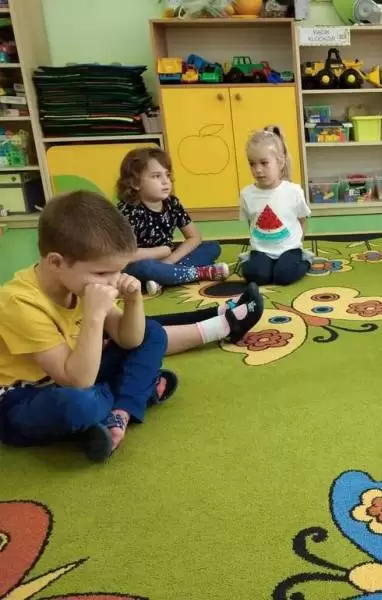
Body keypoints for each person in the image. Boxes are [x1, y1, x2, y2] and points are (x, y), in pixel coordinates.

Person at [0, 192, 264, 462]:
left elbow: (131, 340)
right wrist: (94, 316)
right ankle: (133, 391)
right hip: (24, 398)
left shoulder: (79, 282)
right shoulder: (18, 302)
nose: (112, 281)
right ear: (56, 262)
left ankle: (120, 412)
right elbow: (76, 381)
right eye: (103, 273)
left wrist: (133, 300)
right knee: (79, 405)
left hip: (80, 373)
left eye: (117, 271)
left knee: (153, 333)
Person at [117, 148, 229, 296]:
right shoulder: (128, 211)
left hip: (169, 260)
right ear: (135, 183)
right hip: (140, 263)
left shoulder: (172, 203)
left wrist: (170, 260)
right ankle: (199, 273)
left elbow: (194, 237)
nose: (166, 181)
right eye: (156, 176)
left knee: (212, 247)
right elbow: (123, 254)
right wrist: (162, 251)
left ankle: (163, 278)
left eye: (167, 175)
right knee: (146, 267)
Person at [240, 126, 311, 286]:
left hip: (289, 249)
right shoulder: (246, 194)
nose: (258, 170)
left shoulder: (293, 191)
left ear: (280, 162)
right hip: (261, 250)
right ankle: (251, 260)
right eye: (252, 164)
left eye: (264, 163)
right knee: (257, 277)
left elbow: (302, 220)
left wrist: (296, 244)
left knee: (283, 276)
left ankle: (306, 260)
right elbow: (252, 223)